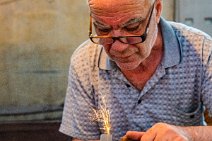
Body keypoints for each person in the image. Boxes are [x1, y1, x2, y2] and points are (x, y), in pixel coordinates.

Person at [59, 0, 212, 140]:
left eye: (132, 28)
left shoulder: (202, 50)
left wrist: (188, 134)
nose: (118, 47)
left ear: (157, 10)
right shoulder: (85, 61)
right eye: (103, 28)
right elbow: (83, 138)